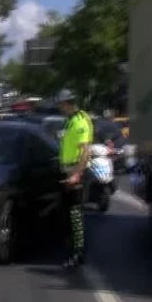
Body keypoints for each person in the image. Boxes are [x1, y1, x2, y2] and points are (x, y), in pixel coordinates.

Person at [56, 89, 94, 268]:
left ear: (67, 103)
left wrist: (76, 175)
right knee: (67, 215)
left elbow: (85, 152)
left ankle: (78, 254)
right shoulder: (69, 121)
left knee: (75, 215)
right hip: (68, 171)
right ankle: (71, 251)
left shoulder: (79, 122)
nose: (59, 107)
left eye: (61, 104)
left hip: (75, 172)